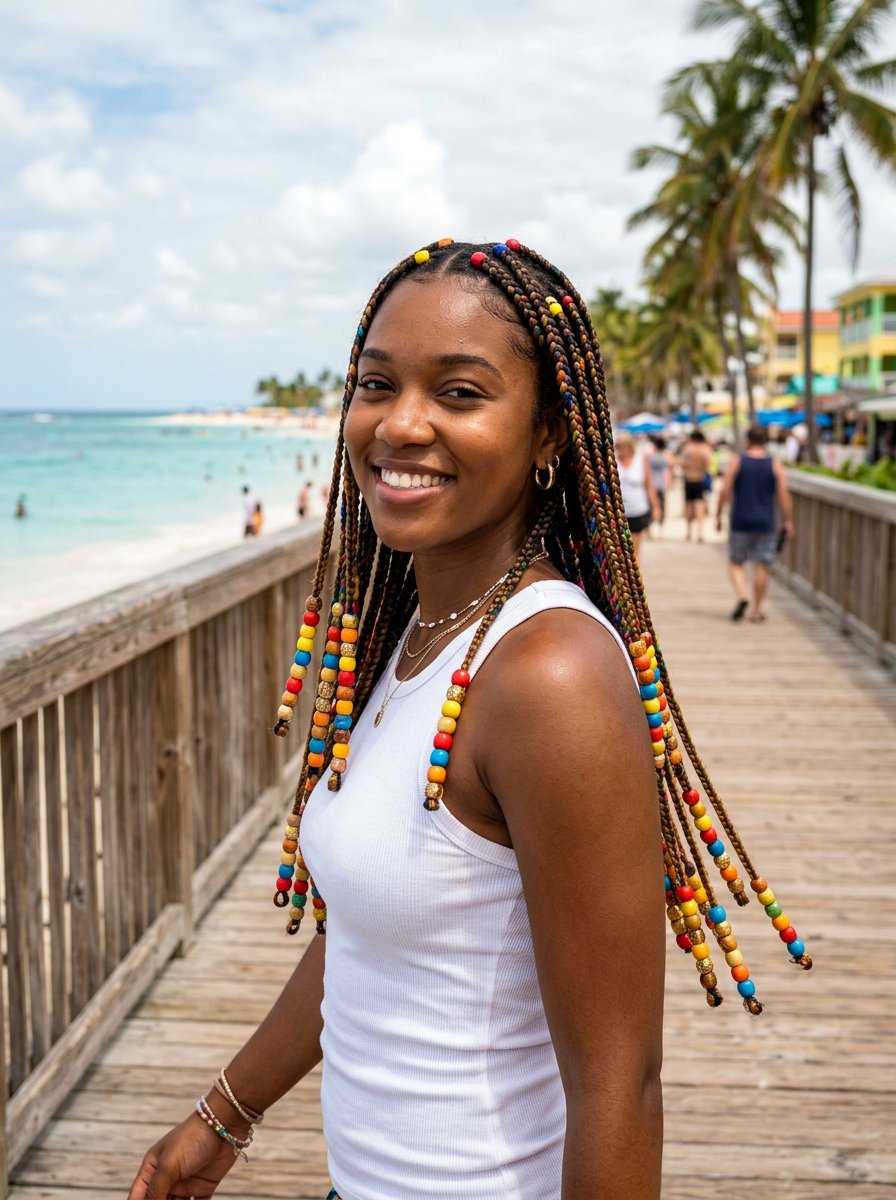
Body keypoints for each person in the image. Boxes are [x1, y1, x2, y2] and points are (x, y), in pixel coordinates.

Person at [129, 239, 811, 1200]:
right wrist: (225, 1114)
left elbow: (623, 1081)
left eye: (459, 393)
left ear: (547, 437)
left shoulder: (551, 674)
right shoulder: (413, 630)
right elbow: (369, 938)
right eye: (377, 384)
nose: (400, 425)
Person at [716, 425, 794, 623]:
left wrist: (717, 514)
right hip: (766, 521)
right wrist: (788, 520)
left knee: (736, 561)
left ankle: (743, 595)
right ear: (764, 441)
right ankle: (757, 610)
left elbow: (725, 489)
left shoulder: (738, 461)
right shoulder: (774, 463)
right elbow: (784, 495)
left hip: (740, 519)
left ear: (748, 440)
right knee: (762, 565)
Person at [615, 432, 661, 558]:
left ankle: (634, 574)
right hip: (618, 511)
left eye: (623, 447)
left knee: (634, 549)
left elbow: (649, 485)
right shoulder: (614, 461)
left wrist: (656, 507)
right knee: (619, 548)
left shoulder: (640, 460)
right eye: (618, 447)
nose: (620, 450)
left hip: (637, 509)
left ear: (630, 447)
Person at [679, 429, 713, 542]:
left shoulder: (688, 449)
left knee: (689, 505)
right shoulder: (705, 449)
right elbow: (709, 463)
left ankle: (688, 532)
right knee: (700, 506)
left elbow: (682, 463)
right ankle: (700, 532)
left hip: (688, 479)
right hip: (700, 479)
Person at [647, 435, 674, 530]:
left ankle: (650, 527)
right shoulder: (665, 456)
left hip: (652, 484)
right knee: (661, 505)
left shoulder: (650, 456)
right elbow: (671, 466)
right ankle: (660, 525)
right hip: (661, 484)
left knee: (651, 506)